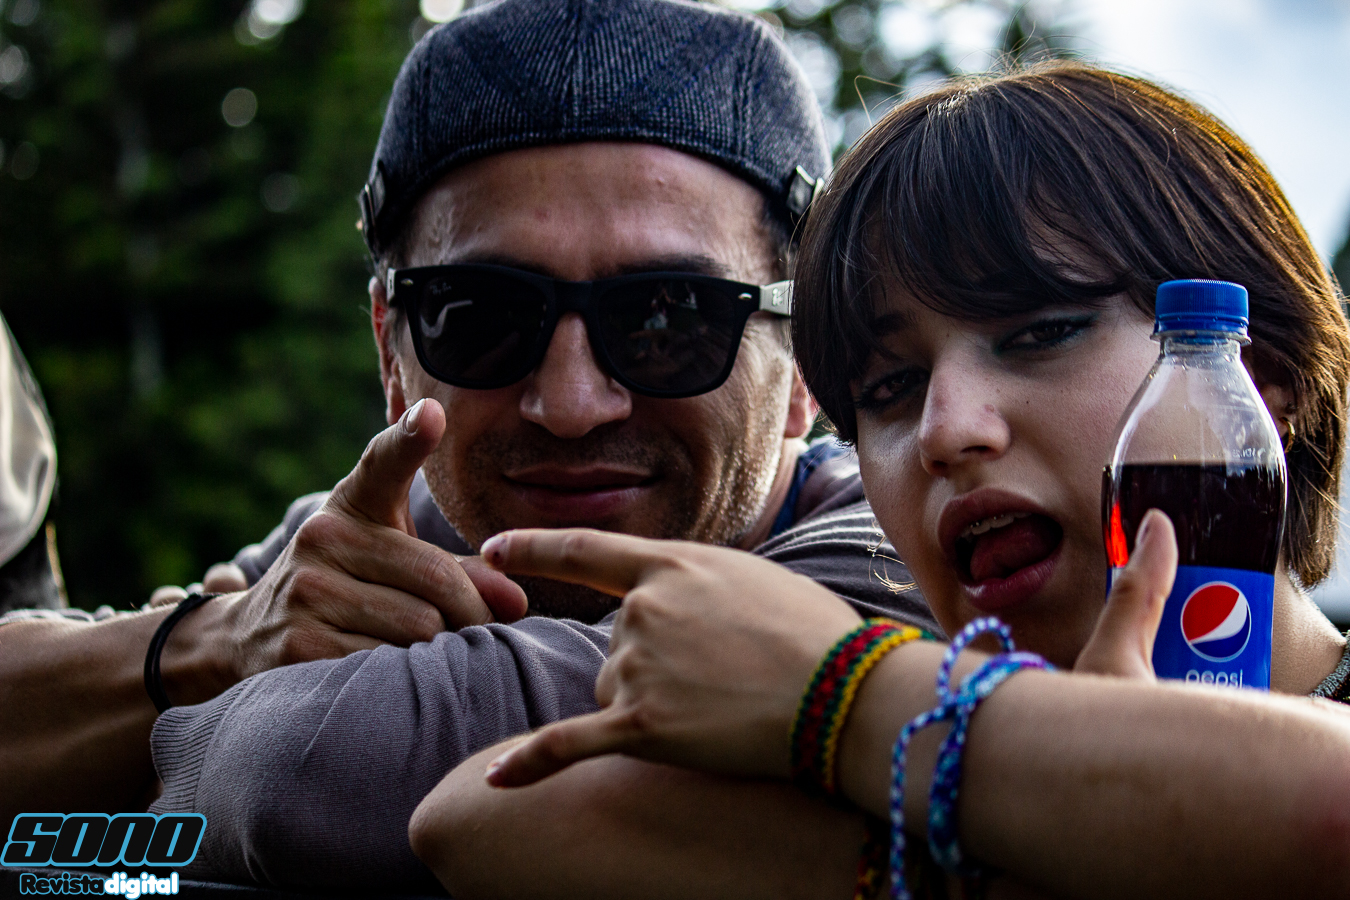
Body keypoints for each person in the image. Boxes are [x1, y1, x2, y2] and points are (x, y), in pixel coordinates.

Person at [0, 0, 937, 890]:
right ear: (390, 351)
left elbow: (304, 774)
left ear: (805, 356)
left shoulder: (903, 556)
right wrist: (210, 639)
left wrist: (155, 735)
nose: (570, 406)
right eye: (481, 316)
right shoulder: (385, 533)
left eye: (669, 319)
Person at [411, 61, 1350, 899]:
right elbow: (482, 816)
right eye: (889, 389)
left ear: (1257, 382)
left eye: (1040, 333)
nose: (946, 429)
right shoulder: (892, 771)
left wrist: (850, 694)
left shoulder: (872, 725)